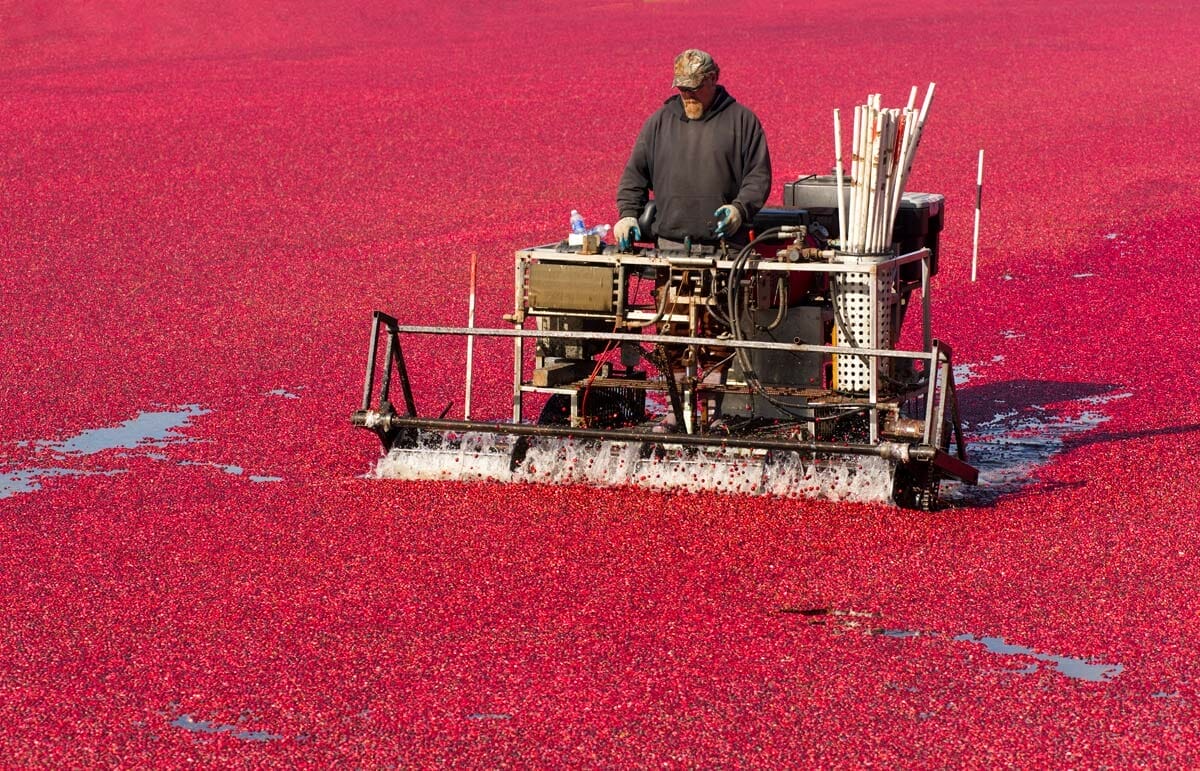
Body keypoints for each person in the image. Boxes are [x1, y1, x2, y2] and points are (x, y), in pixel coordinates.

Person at [615, 49, 772, 250]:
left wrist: (739, 210)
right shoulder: (659, 123)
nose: (687, 95)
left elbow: (758, 176)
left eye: (694, 88)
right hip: (670, 245)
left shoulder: (742, 121)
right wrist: (628, 215)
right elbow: (634, 176)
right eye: (682, 88)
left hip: (726, 246)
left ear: (713, 78)